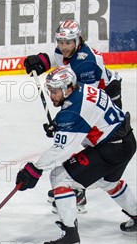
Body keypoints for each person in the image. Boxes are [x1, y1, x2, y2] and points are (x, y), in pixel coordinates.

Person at [15, 66, 137, 244]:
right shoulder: (86, 89)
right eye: (50, 91)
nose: (51, 95)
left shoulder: (72, 112)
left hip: (111, 148)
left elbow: (62, 151)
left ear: (69, 89)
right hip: (126, 142)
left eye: (55, 91)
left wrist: (35, 169)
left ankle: (71, 236)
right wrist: (60, 126)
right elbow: (87, 117)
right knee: (107, 182)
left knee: (59, 177)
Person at [24, 19, 124, 213]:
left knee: (88, 140)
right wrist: (40, 61)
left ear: (78, 40)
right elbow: (55, 60)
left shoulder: (86, 64)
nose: (64, 47)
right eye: (60, 42)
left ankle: (77, 189)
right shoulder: (67, 50)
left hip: (107, 96)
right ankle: (77, 184)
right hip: (89, 100)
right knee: (78, 138)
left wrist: (62, 123)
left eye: (68, 42)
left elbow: (83, 104)